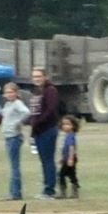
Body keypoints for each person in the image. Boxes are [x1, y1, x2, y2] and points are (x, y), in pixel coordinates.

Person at [28, 66, 63, 198]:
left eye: (39, 76)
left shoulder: (50, 90)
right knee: (43, 161)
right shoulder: (37, 92)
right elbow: (34, 112)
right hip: (38, 131)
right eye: (34, 77)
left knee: (48, 160)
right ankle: (46, 187)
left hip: (48, 129)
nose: (37, 79)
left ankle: (50, 190)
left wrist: (37, 122)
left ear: (45, 77)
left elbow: (50, 110)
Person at [0, 81, 31, 202]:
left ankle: (16, 193)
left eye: (11, 92)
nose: (9, 94)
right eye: (7, 92)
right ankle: (12, 191)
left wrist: (17, 123)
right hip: (8, 136)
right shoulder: (7, 104)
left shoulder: (17, 103)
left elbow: (26, 112)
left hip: (14, 137)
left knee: (14, 166)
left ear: (16, 93)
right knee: (12, 165)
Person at [59, 115, 81, 198]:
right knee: (71, 175)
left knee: (61, 174)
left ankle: (63, 193)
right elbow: (65, 149)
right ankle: (75, 190)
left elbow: (72, 147)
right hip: (67, 158)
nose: (65, 126)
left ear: (73, 126)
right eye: (64, 124)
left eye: (68, 124)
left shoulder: (71, 135)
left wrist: (70, 159)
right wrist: (62, 158)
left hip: (70, 159)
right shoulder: (67, 135)